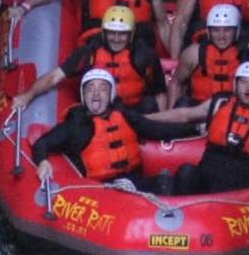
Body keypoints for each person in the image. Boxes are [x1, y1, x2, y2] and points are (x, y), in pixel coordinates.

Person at [143, 62, 249, 195]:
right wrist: (145, 119)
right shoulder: (220, 103)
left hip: (239, 187)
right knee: (186, 172)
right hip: (207, 176)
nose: (248, 88)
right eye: (243, 82)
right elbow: (184, 115)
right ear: (235, 84)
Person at [26, 69, 195, 193]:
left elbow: (157, 129)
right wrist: (42, 161)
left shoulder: (126, 116)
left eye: (102, 89)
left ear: (111, 95)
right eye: (90, 89)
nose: (96, 94)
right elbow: (43, 143)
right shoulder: (75, 125)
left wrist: (195, 129)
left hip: (135, 183)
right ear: (83, 95)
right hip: (103, 191)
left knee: (170, 180)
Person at [5, 6, 169, 115]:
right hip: (96, 111)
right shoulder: (88, 52)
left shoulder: (145, 56)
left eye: (122, 34)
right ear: (104, 32)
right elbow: (54, 76)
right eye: (111, 33)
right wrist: (28, 95)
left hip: (133, 112)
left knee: (149, 105)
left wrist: (162, 119)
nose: (116, 39)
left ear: (131, 34)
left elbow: (159, 92)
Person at [5, 0, 177, 51]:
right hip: (101, 41)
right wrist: (24, 7)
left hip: (136, 42)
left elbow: (162, 24)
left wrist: (173, 58)